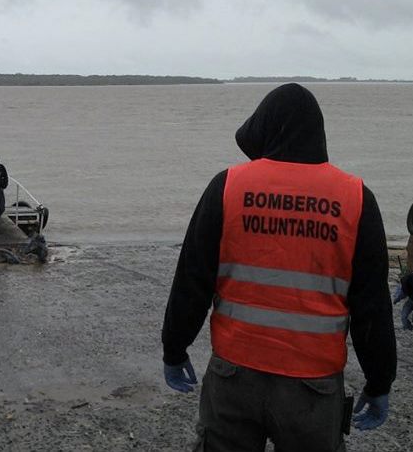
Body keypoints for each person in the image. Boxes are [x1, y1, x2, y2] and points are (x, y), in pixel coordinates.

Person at [161, 83, 397, 451]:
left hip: (234, 374)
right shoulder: (355, 198)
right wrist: (379, 381)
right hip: (313, 387)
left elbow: (192, 280)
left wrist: (174, 349)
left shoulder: (228, 187)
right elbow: (372, 306)